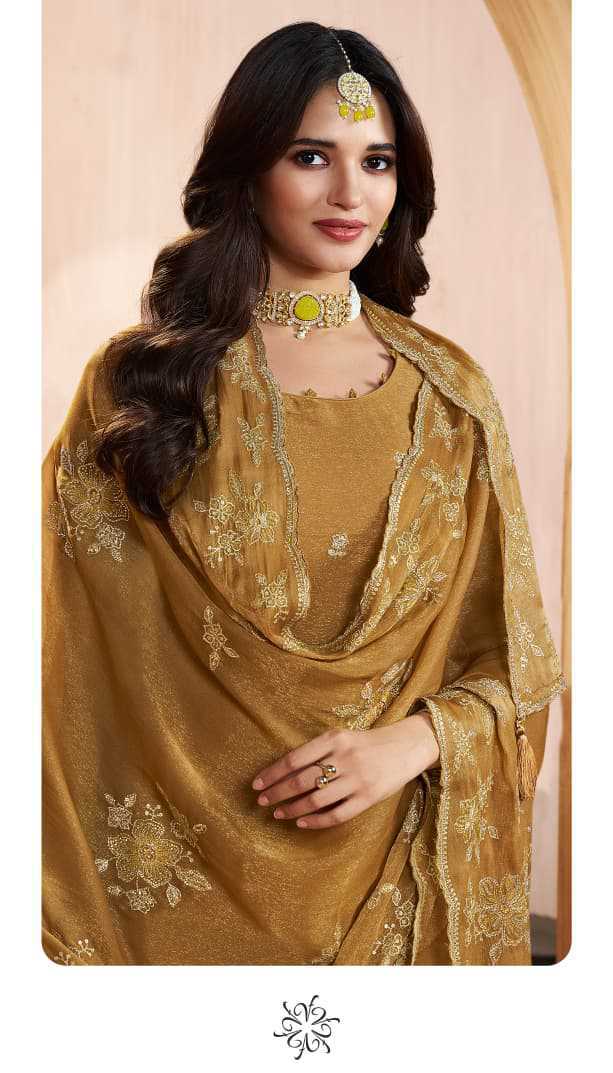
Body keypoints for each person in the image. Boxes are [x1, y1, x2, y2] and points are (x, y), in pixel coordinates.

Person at [42, 22, 566, 966]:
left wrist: (415, 741)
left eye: (377, 161)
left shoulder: (450, 397)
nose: (349, 193)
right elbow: (67, 670)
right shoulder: (141, 387)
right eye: (311, 156)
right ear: (248, 171)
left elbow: (516, 663)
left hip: (390, 896)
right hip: (157, 910)